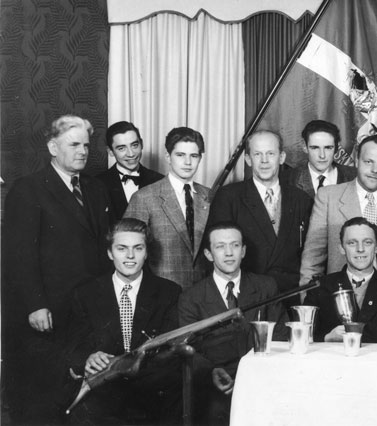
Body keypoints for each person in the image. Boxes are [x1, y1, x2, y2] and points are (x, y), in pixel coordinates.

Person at [3, 114, 112, 424]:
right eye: (73, 145)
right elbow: (18, 256)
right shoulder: (28, 189)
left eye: (86, 145)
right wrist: (35, 304)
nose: (82, 151)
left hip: (86, 309)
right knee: (43, 396)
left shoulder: (95, 189)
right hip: (48, 310)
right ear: (53, 147)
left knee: (83, 397)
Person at [65, 218, 182, 425]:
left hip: (151, 397)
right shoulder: (85, 293)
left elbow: (170, 353)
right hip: (103, 396)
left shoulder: (169, 292)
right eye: (121, 248)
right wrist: (89, 357)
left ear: (146, 253)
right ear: (110, 253)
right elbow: (74, 346)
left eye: (138, 248)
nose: (130, 256)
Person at [178, 222, 289, 425]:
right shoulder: (191, 297)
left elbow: (281, 335)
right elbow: (189, 350)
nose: (229, 253)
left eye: (235, 245)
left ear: (243, 250)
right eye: (220, 246)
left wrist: (253, 375)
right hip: (216, 388)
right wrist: (211, 372)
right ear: (208, 254)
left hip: (262, 382)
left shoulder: (266, 286)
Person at [208, 130, 313, 308]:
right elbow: (217, 252)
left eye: (270, 153)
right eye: (258, 154)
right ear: (248, 159)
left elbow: (310, 254)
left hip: (290, 297)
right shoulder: (229, 197)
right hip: (246, 298)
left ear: (282, 157)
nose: (264, 161)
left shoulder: (301, 199)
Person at [300, 133, 377, 287]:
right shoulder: (328, 197)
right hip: (341, 292)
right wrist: (309, 297)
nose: (374, 170)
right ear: (357, 160)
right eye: (368, 162)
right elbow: (313, 258)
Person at [124, 127, 210, 288]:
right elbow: (129, 252)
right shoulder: (144, 197)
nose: (188, 162)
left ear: (200, 158)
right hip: (161, 292)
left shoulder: (210, 196)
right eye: (180, 155)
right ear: (168, 157)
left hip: (202, 293)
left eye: (194, 156)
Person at [304, 217, 377, 343]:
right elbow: (303, 337)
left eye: (367, 242)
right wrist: (327, 338)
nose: (360, 249)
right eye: (352, 243)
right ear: (342, 248)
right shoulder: (319, 287)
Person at [96, 121, 164, 220]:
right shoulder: (97, 184)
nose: (131, 154)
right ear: (110, 152)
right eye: (121, 148)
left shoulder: (160, 181)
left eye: (134, 145)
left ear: (142, 144)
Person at [284, 120, 356, 198]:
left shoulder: (355, 176)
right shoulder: (287, 179)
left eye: (328, 148)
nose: (322, 155)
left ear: (337, 147)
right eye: (315, 148)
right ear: (304, 146)